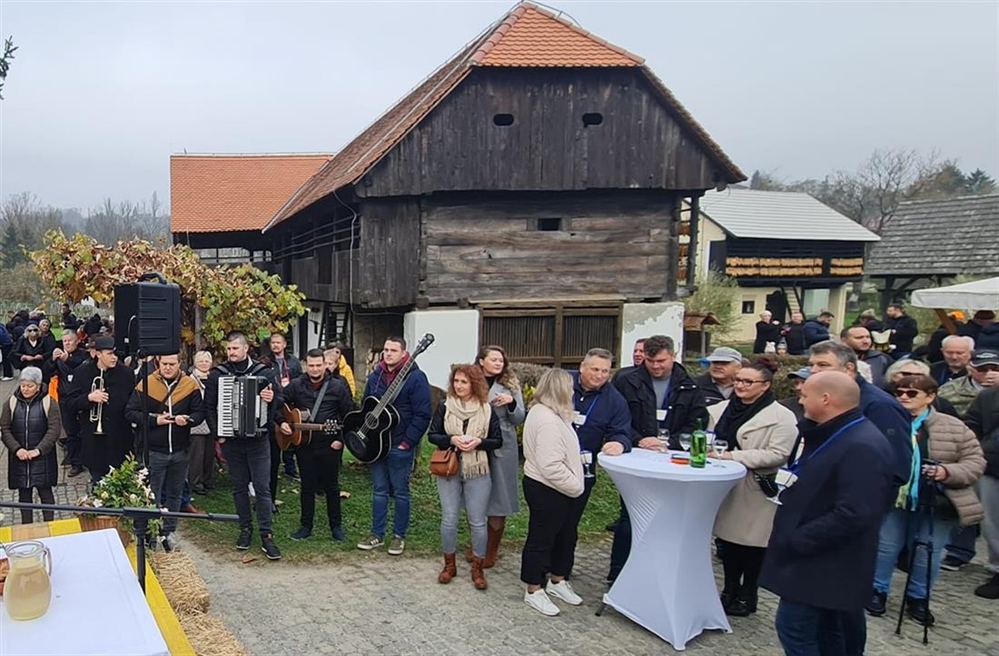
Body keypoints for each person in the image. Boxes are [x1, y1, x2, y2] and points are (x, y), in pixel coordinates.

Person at [760, 372, 895, 656]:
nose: (800, 400)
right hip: (819, 560)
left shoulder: (862, 444)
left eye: (804, 395)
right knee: (827, 635)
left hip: (825, 562)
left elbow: (855, 511)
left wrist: (799, 540)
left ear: (825, 399)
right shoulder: (835, 433)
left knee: (795, 629)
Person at [867, 374, 985, 626]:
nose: (903, 398)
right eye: (899, 393)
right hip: (895, 499)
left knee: (926, 551)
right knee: (886, 546)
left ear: (930, 397)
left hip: (936, 500)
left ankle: (918, 597)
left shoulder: (953, 426)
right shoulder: (886, 421)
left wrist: (946, 472)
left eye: (911, 393)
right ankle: (877, 590)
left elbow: (975, 462)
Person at [609, 334, 707, 582]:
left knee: (668, 518)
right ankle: (619, 575)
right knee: (629, 516)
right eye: (650, 361)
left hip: (672, 459)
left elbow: (697, 422)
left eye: (661, 361)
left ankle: (660, 574)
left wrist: (668, 442)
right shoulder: (627, 380)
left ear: (673, 355)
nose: (655, 366)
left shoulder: (690, 385)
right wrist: (639, 439)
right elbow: (617, 416)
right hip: (636, 457)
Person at [709, 360, 797, 617]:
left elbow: (778, 454)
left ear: (765, 385)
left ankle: (748, 594)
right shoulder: (722, 409)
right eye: (738, 380)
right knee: (728, 542)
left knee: (753, 544)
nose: (740, 385)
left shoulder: (782, 417)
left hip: (756, 487)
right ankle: (729, 589)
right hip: (726, 483)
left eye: (748, 382)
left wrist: (733, 456)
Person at [204, 332, 283, 560]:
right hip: (231, 441)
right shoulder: (218, 375)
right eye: (228, 349)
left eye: (235, 348)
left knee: (262, 487)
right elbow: (209, 407)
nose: (231, 353)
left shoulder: (264, 372)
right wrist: (218, 434)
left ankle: (267, 534)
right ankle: (245, 528)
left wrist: (271, 399)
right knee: (239, 486)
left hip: (258, 440)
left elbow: (279, 402)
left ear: (246, 348)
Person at [428, 363, 503, 589]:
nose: (459, 386)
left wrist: (478, 442)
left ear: (474, 384)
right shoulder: (445, 406)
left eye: (464, 382)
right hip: (449, 468)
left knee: (477, 521)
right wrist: (452, 439)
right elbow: (433, 435)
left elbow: (497, 440)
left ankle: (478, 568)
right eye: (456, 381)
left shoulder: (486, 409)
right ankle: (449, 565)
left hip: (477, 469)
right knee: (449, 518)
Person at [356, 337, 431, 556]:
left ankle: (399, 536)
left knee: (400, 492)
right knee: (379, 490)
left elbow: (422, 414)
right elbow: (366, 407)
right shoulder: (375, 376)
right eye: (386, 349)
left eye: (393, 350)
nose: (388, 353)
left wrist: (408, 442)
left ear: (404, 353)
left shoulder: (416, 378)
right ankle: (376, 534)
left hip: (400, 444)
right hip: (376, 444)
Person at [520, 368, 586, 616]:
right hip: (547, 488)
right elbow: (550, 465)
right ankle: (534, 589)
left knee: (565, 535)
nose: (573, 392)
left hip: (558, 488)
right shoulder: (546, 419)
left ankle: (558, 580)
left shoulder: (555, 414)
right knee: (542, 539)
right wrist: (576, 486)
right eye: (570, 388)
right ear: (559, 390)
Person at [125, 353, 205, 551]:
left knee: (175, 494)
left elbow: (199, 413)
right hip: (154, 451)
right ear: (158, 363)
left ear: (179, 364)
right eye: (164, 364)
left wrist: (188, 420)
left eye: (172, 364)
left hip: (180, 450)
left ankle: (168, 532)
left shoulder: (189, 385)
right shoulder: (146, 384)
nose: (168, 367)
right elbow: (130, 412)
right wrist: (155, 420)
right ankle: (151, 535)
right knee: (152, 495)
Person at [808, 341, 912, 490]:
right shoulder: (827, 398)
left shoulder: (880, 405)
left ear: (848, 369)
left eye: (823, 365)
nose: (813, 371)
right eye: (811, 365)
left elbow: (896, 466)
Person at [279, 348, 354, 542]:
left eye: (318, 365)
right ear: (305, 365)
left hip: (330, 444)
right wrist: (283, 421)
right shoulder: (296, 385)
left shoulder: (337, 387)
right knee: (307, 486)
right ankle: (306, 526)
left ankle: (336, 526)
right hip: (304, 445)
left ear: (324, 365)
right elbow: (279, 401)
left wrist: (340, 440)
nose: (315, 369)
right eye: (311, 365)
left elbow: (349, 415)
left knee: (332, 486)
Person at [473, 345, 526, 568]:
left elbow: (520, 417)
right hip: (476, 443)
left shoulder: (510, 385)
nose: (498, 363)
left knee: (499, 497)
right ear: (481, 361)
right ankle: (477, 545)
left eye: (501, 360)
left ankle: (491, 550)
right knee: (476, 495)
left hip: (502, 446)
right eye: (493, 359)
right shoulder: (471, 380)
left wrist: (511, 403)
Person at [67, 336, 135, 484]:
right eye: (109, 354)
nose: (114, 357)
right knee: (98, 483)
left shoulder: (126, 374)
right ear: (98, 354)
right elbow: (69, 403)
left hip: (120, 439)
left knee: (122, 484)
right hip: (94, 441)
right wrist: (89, 398)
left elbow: (133, 403)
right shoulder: (82, 372)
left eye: (115, 354)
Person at [0, 367, 62, 524]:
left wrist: (39, 450)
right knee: (24, 495)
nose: (25, 389)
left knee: (46, 493)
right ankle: (26, 526)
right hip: (19, 457)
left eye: (30, 385)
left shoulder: (49, 403)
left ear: (38, 386)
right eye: (23, 385)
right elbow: (5, 429)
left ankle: (50, 525)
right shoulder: (11, 403)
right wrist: (17, 449)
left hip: (43, 457)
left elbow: (54, 429)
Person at [965, 386, 999, 598]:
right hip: (992, 467)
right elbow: (972, 424)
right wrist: (981, 450)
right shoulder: (989, 396)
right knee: (992, 525)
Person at [45, 330, 89, 477]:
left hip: (81, 397)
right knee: (71, 433)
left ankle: (88, 459)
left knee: (85, 430)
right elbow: (46, 371)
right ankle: (75, 463)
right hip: (65, 398)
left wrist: (67, 360)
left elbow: (83, 368)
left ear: (77, 341)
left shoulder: (83, 355)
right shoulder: (59, 357)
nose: (67, 343)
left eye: (69, 340)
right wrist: (52, 360)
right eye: (64, 341)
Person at [261, 332, 302, 486]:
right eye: (273, 343)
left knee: (291, 431)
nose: (275, 345)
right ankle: (273, 469)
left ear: (284, 344)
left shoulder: (293, 362)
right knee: (276, 434)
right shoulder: (265, 362)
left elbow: (300, 380)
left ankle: (290, 468)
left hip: (290, 402)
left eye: (278, 342)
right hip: (273, 402)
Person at [938, 349, 999, 417]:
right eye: (982, 369)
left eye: (996, 369)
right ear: (969, 368)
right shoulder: (948, 390)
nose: (990, 373)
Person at [187, 350, 216, 495]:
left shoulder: (213, 378)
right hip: (196, 423)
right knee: (196, 455)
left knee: (209, 454)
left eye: (206, 361)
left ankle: (207, 480)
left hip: (210, 420)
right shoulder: (190, 380)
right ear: (195, 363)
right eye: (201, 361)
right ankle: (195, 483)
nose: (204, 364)